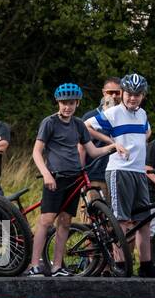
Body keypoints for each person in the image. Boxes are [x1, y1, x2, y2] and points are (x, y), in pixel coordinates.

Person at [31, 84, 116, 277]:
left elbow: (92, 151)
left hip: (74, 177)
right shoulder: (49, 122)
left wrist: (113, 146)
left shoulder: (78, 124)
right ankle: (34, 265)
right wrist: (46, 174)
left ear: (77, 103)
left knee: (65, 221)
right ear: (58, 103)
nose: (66, 107)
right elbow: (36, 152)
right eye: (63, 103)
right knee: (46, 220)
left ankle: (57, 266)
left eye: (70, 103)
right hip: (55, 177)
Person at [87, 73, 154, 277]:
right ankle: (121, 264)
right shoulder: (114, 113)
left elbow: (147, 132)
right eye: (129, 94)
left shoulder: (142, 114)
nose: (133, 98)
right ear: (123, 93)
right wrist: (113, 143)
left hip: (138, 171)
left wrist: (137, 143)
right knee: (121, 220)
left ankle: (146, 265)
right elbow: (86, 126)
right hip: (119, 171)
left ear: (142, 96)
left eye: (138, 95)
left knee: (144, 221)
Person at [85, 78, 122, 193]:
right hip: (96, 176)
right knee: (94, 211)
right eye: (111, 92)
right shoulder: (90, 117)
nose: (114, 96)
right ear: (104, 92)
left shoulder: (127, 116)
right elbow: (80, 148)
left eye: (118, 92)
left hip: (120, 176)